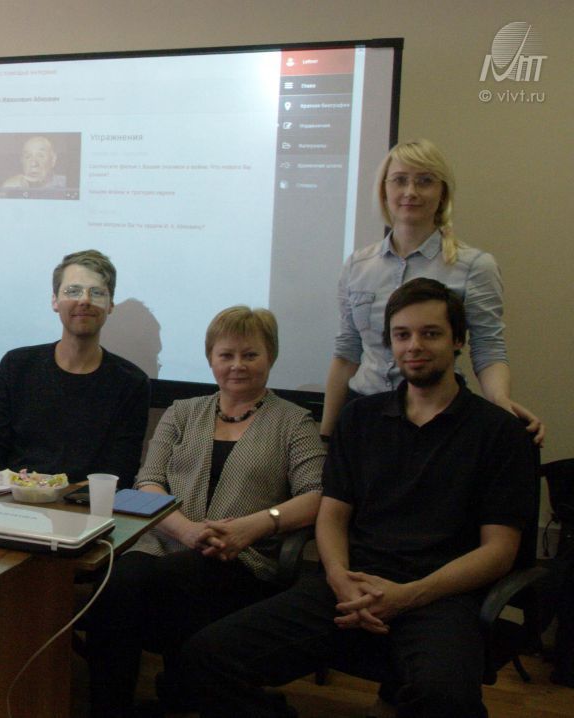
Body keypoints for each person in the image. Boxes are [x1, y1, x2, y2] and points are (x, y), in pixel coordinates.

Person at [183, 278, 536, 718]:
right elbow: (332, 516)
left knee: (446, 699)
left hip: (440, 597)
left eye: (430, 333)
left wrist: (408, 595)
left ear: (458, 340)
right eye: (402, 335)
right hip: (348, 585)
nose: (414, 346)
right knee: (206, 658)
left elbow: (499, 552)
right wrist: (338, 576)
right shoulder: (360, 419)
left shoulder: (498, 433)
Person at [83, 306, 324, 717]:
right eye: (226, 355)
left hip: (243, 557)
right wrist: (186, 531)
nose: (237, 365)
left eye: (250, 355)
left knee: (168, 583)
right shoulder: (181, 412)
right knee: (116, 582)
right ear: (211, 358)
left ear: (271, 357)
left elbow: (316, 495)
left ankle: (185, 691)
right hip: (165, 541)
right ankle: (111, 708)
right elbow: (148, 481)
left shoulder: (294, 422)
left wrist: (253, 527)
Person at [321, 139, 543, 444]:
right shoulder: (357, 266)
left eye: (424, 181)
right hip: (365, 415)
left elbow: (488, 348)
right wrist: (327, 435)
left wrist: (501, 403)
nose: (410, 191)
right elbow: (347, 354)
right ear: (384, 190)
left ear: (442, 193)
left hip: (438, 417)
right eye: (400, 180)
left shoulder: (474, 266)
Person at [0, 249, 149, 485]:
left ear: (110, 305)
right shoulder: (16, 365)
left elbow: (120, 469)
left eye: (97, 293)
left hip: (84, 503)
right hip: (9, 496)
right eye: (73, 291)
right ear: (54, 301)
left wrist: (57, 494)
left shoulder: (131, 382)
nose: (84, 300)